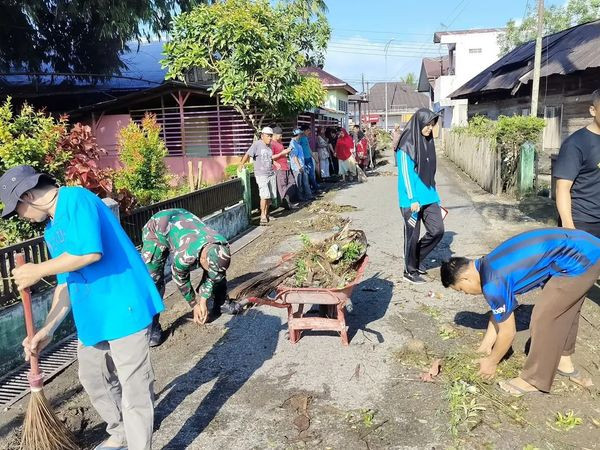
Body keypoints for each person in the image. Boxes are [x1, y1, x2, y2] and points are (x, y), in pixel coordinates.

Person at [2, 165, 163, 450]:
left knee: (133, 386)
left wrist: (37, 269)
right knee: (93, 377)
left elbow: (90, 252)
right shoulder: (52, 229)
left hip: (123, 304)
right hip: (93, 316)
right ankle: (121, 430)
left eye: (18, 211)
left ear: (26, 195)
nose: (22, 218)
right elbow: (65, 283)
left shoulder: (76, 199)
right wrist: (47, 329)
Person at [440, 228, 600, 395]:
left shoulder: (492, 283)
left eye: (460, 289)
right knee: (566, 309)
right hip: (587, 245)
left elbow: (508, 333)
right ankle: (563, 361)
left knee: (543, 318)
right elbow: (500, 312)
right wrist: (485, 347)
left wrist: (491, 362)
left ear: (465, 278)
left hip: (581, 258)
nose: (465, 293)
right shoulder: (487, 264)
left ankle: (534, 379)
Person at [141, 208, 236, 347]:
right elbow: (180, 279)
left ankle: (221, 302)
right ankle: (152, 326)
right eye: (207, 268)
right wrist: (194, 304)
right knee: (153, 279)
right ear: (202, 260)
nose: (211, 272)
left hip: (183, 219)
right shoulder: (185, 257)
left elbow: (215, 273)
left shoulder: (220, 245)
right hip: (157, 229)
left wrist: (203, 300)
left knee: (218, 270)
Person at [396, 108, 444, 284]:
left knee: (437, 230)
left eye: (432, 124)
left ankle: (415, 259)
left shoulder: (427, 141)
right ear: (419, 122)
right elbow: (405, 174)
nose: (430, 128)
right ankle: (409, 271)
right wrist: (412, 199)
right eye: (427, 124)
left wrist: (435, 194)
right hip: (412, 200)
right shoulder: (406, 144)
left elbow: (430, 171)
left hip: (429, 197)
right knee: (412, 236)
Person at [554, 89, 600, 238]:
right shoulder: (575, 143)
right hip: (583, 224)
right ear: (593, 110)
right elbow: (562, 187)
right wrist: (570, 230)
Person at [240, 126, 289, 225]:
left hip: (270, 172)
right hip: (261, 174)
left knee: (270, 196)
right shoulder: (257, 145)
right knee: (264, 195)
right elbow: (247, 154)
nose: (270, 138)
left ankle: (267, 214)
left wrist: (275, 163)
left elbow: (269, 158)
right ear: (262, 136)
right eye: (268, 136)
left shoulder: (270, 146)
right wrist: (241, 164)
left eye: (271, 136)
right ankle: (262, 215)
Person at [271, 126, 299, 210]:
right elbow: (271, 157)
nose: (281, 137)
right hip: (279, 168)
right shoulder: (272, 144)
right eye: (280, 135)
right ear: (274, 135)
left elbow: (282, 153)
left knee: (292, 183)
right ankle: (287, 204)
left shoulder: (279, 142)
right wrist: (283, 153)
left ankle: (286, 202)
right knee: (282, 187)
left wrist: (286, 153)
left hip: (286, 166)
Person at [289, 128, 314, 201]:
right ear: (297, 135)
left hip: (302, 165)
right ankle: (300, 197)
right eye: (300, 134)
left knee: (305, 182)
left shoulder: (297, 142)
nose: (301, 135)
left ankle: (309, 195)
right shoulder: (293, 143)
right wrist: (299, 166)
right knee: (299, 183)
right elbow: (294, 156)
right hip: (297, 167)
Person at [299, 125, 319, 192]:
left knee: (311, 174)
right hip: (303, 159)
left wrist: (314, 158)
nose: (309, 132)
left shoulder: (306, 138)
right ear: (303, 131)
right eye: (308, 130)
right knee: (307, 176)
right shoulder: (300, 139)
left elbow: (309, 149)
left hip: (309, 158)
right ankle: (312, 188)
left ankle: (314, 187)